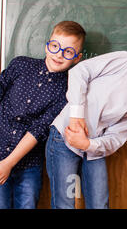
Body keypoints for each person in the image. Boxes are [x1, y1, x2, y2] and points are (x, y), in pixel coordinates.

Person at [46, 50, 127, 209]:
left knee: (100, 205)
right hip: (64, 137)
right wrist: (76, 117)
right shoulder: (126, 62)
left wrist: (87, 145)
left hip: (92, 149)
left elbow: (114, 139)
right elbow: (79, 71)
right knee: (64, 204)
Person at [0, 21, 86, 209]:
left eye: (68, 51)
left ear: (77, 58)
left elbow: (39, 130)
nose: (59, 55)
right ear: (47, 45)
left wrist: (8, 163)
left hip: (28, 165)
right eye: (55, 46)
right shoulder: (21, 65)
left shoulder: (68, 91)